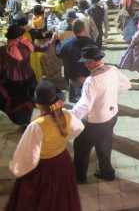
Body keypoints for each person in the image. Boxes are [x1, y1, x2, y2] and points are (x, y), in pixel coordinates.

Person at [6, 80, 84, 211]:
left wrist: (17, 168)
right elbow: (78, 128)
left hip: (44, 168)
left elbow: (28, 155)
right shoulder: (66, 114)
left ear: (37, 104)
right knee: (61, 196)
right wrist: (62, 141)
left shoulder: (37, 126)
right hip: (63, 162)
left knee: (42, 199)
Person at [72, 45, 131, 183]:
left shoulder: (91, 81)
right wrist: (109, 94)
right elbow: (127, 84)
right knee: (104, 145)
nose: (85, 65)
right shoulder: (113, 69)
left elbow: (84, 106)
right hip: (111, 116)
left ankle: (79, 178)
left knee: (81, 148)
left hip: (95, 123)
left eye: (86, 62)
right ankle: (107, 173)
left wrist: (69, 116)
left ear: (93, 61)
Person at [0, 25, 36, 126]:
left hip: (13, 82)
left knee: (17, 102)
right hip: (29, 78)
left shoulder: (2, 51)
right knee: (28, 99)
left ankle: (22, 121)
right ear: (18, 37)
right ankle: (28, 121)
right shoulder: (26, 46)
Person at [56, 19, 96, 103]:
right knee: (88, 99)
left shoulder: (66, 43)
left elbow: (58, 53)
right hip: (87, 77)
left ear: (73, 30)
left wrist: (57, 42)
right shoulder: (91, 42)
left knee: (77, 102)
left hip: (73, 77)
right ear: (84, 29)